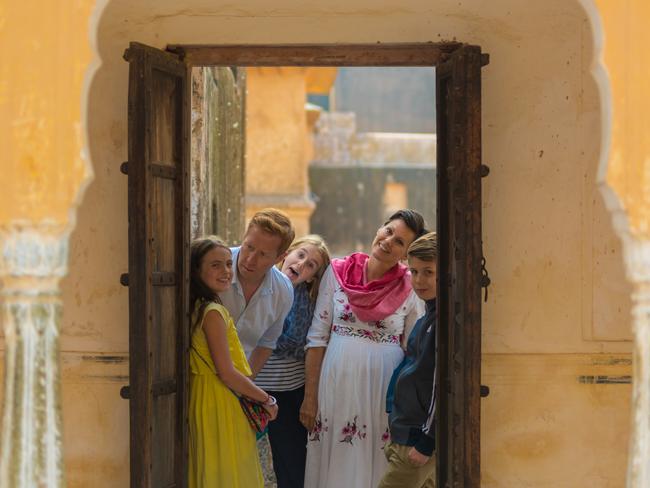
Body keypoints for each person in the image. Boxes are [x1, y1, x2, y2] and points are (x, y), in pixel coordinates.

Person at [301, 209, 427, 488]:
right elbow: (317, 337)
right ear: (380, 228)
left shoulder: (409, 286)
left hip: (381, 391)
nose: (388, 241)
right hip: (336, 383)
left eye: (399, 242)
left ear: (406, 254)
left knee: (376, 460)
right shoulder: (337, 272)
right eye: (388, 231)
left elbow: (414, 350)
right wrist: (310, 397)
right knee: (336, 458)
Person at [187, 236, 279, 488]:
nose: (226, 271)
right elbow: (227, 373)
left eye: (228, 264)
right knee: (230, 475)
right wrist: (266, 399)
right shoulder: (212, 312)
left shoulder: (198, 307)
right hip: (220, 402)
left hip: (204, 399)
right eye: (215, 265)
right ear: (196, 270)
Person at [256, 235, 331, 488]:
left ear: (311, 277)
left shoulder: (312, 303)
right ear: (287, 254)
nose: (302, 264)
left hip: (290, 394)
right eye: (300, 255)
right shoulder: (258, 287)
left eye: (311, 265)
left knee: (291, 466)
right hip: (254, 389)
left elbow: (313, 344)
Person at [379, 231, 438, 488]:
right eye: (413, 272)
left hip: (418, 442)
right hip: (405, 435)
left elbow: (442, 387)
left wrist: (427, 442)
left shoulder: (442, 323)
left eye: (428, 272)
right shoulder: (428, 318)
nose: (419, 280)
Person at [220, 208, 295, 376]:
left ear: (279, 258)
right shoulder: (213, 267)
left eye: (263, 254)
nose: (250, 259)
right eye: (249, 247)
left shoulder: (283, 291)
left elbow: (267, 343)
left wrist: (244, 387)